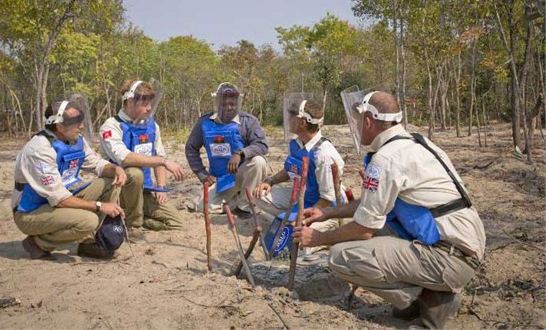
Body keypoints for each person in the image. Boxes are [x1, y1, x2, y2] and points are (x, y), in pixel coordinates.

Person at [293, 90, 486, 329]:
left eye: (356, 121)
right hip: (461, 247)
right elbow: (372, 206)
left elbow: (364, 229)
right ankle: (427, 294)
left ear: (368, 121)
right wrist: (328, 212)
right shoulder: (416, 144)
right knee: (378, 228)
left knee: (341, 256)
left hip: (450, 258)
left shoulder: (385, 159)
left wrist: (320, 238)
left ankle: (431, 298)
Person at [12, 100, 135, 260]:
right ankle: (38, 243)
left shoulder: (76, 140)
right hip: (30, 211)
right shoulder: (39, 150)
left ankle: (89, 243)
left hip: (61, 198)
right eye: (76, 122)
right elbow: (59, 199)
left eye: (81, 120)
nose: (81, 126)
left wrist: (116, 169)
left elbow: (96, 163)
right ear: (60, 127)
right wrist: (99, 206)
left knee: (109, 181)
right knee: (88, 221)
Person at [253, 98, 343, 257]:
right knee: (260, 195)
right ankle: (289, 221)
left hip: (326, 208)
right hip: (303, 196)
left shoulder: (323, 154)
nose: (288, 118)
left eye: (292, 114)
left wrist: (303, 219)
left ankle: (325, 232)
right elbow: (290, 170)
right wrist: (270, 181)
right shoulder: (296, 144)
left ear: (302, 121)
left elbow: (327, 199)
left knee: (298, 245)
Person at [99, 80, 186, 233]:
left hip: (144, 189)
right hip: (118, 190)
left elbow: (158, 154)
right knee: (134, 172)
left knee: (176, 223)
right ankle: (134, 226)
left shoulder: (152, 126)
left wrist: (160, 187)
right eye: (144, 103)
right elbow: (124, 158)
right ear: (131, 101)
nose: (149, 108)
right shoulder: (111, 126)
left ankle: (134, 217)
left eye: (150, 102)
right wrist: (164, 162)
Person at [185, 82, 268, 219]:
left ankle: (245, 205)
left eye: (233, 104)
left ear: (238, 103)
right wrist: (202, 175)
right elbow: (191, 148)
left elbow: (262, 145)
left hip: (242, 175)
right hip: (219, 180)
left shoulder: (248, 121)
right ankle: (233, 201)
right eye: (224, 104)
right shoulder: (204, 122)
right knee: (202, 207)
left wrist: (240, 154)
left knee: (258, 162)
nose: (229, 108)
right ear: (217, 102)